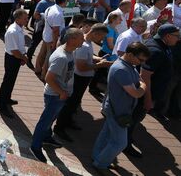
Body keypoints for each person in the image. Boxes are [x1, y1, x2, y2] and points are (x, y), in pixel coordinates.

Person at [92, 42, 150, 175]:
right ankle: (100, 164)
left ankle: (98, 157)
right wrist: (143, 86)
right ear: (129, 54)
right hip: (118, 111)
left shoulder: (128, 65)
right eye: (140, 59)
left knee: (106, 134)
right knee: (120, 143)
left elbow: (137, 80)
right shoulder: (121, 69)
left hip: (116, 108)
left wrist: (140, 84)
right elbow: (136, 92)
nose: (141, 63)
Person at [30, 28, 85, 163]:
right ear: (72, 40)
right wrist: (62, 92)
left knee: (51, 119)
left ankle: (46, 137)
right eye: (81, 38)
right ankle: (35, 147)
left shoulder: (70, 51)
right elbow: (49, 77)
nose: (83, 40)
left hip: (60, 95)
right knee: (45, 121)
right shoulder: (61, 57)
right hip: (55, 95)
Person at [54, 24, 112, 141]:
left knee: (74, 103)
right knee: (70, 103)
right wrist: (100, 65)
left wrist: (97, 59)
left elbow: (86, 58)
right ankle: (59, 128)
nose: (102, 40)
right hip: (79, 78)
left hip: (82, 79)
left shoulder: (87, 43)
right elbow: (81, 67)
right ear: (95, 33)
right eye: (101, 37)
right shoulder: (84, 45)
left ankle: (68, 121)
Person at [142, 24, 180, 120]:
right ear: (167, 36)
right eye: (177, 36)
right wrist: (148, 99)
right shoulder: (156, 51)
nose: (178, 39)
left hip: (156, 91)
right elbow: (144, 76)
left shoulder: (164, 44)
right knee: (136, 118)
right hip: (146, 95)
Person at [0, 9, 30, 118]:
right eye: (25, 18)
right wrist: (24, 58)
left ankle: (7, 98)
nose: (27, 20)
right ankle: (2, 106)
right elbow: (14, 51)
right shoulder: (13, 31)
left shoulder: (19, 28)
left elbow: (20, 46)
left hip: (16, 57)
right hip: (12, 58)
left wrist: (23, 55)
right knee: (7, 81)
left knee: (12, 80)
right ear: (18, 18)